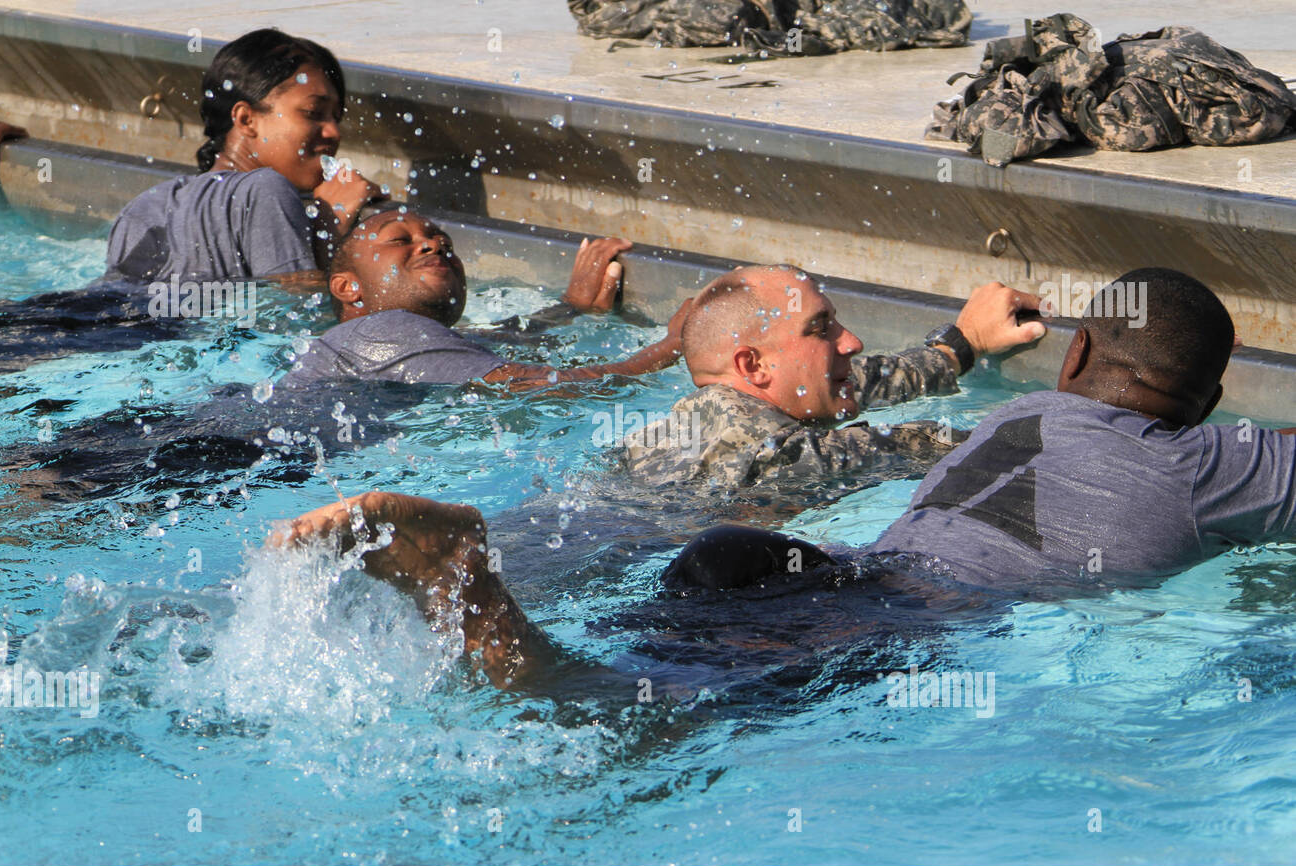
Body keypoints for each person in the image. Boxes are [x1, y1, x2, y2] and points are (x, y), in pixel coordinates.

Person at [674, 267, 1296, 592]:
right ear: (1211, 405)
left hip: (839, 574)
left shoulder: (1006, 417)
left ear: (1073, 354)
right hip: (923, 617)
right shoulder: (1208, 465)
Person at [619, 265, 1045, 488]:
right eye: (820, 329)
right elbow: (914, 443)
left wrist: (961, 343)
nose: (852, 342)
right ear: (752, 365)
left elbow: (854, 379)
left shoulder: (667, 432)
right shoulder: (771, 461)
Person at [280, 207, 684, 389]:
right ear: (348, 288)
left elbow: (498, 344)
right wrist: (673, 345)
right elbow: (535, 385)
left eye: (444, 242)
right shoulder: (386, 329)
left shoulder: (389, 342)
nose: (432, 247)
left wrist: (570, 308)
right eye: (401, 241)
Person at [102, 29, 380, 284]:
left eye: (336, 118)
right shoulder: (267, 190)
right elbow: (293, 320)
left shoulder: (148, 204)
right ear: (246, 119)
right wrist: (331, 225)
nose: (333, 132)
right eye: (313, 113)